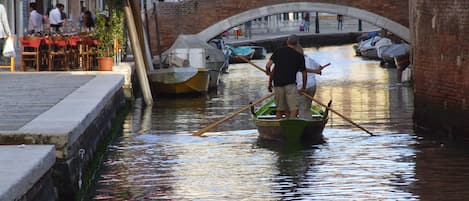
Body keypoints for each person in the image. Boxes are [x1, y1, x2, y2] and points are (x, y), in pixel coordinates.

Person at [266, 34, 307, 119]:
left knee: (279, 110)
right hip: (291, 85)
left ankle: (279, 129)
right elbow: (304, 73)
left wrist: (268, 73)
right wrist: (303, 87)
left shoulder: (278, 52)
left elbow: (268, 66)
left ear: (287, 41)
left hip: (278, 84)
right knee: (294, 109)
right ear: (297, 43)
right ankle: (290, 126)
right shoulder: (299, 56)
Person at [294, 45, 331, 119]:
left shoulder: (294, 61)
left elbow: (299, 70)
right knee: (307, 106)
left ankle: (303, 123)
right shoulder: (308, 59)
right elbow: (319, 67)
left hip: (301, 85)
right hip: (312, 85)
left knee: (301, 107)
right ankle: (308, 122)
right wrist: (317, 70)